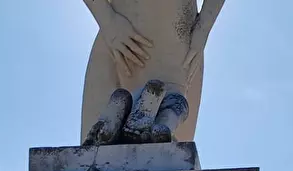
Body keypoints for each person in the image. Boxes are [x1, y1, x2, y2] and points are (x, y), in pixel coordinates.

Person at [80, 0, 226, 143]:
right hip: (118, 43)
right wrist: (108, 20)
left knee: (169, 150)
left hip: (179, 53)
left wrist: (203, 28)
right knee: (93, 151)